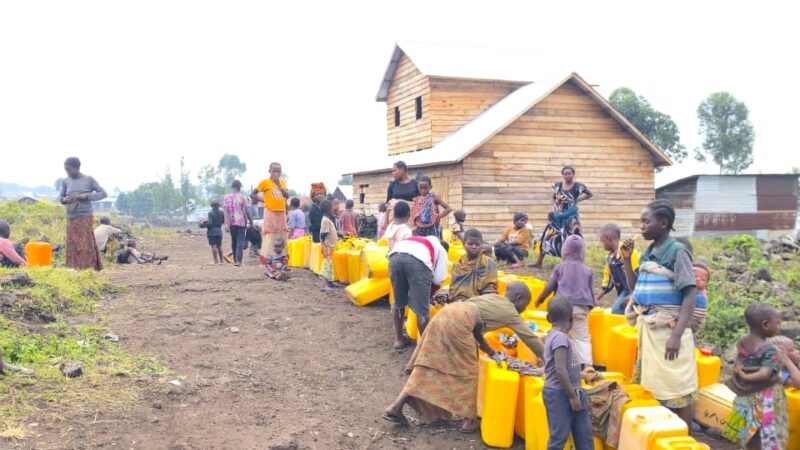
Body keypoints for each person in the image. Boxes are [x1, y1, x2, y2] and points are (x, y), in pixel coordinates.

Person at [382, 282, 540, 433]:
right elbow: (530, 338)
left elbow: (475, 329)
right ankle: (469, 420)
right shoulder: (511, 312)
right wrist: (548, 358)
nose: (523, 310)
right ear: (519, 298)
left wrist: (491, 352)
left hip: (444, 314)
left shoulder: (492, 298)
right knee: (468, 371)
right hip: (460, 322)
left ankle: (396, 406)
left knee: (429, 363)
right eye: (525, 306)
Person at [621, 199, 698, 427]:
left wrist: (676, 336)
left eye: (646, 221)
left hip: (669, 331)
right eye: (641, 222)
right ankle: (662, 433)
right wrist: (627, 259)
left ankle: (683, 438)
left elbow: (690, 293)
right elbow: (637, 289)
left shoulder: (677, 251)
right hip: (651, 330)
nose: (641, 226)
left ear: (663, 223)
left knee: (677, 389)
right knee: (656, 386)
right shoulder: (648, 253)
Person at [723, 303, 788, 449]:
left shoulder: (743, 340)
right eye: (777, 324)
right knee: (767, 430)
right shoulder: (770, 349)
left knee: (748, 426)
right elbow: (765, 374)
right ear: (765, 325)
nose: (779, 327)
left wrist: (742, 375)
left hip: (746, 393)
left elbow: (740, 361)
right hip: (766, 396)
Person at [535, 235, 595, 367]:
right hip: (581, 308)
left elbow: (550, 287)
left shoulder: (559, 268)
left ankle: (548, 362)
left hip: (562, 309)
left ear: (564, 250)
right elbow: (590, 292)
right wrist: (591, 307)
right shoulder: (588, 270)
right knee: (582, 338)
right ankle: (587, 366)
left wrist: (540, 299)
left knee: (557, 334)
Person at [543, 297, 594, 450]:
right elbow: (560, 369)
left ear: (548, 318)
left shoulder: (554, 336)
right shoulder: (560, 338)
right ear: (571, 319)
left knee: (584, 433)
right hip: (560, 393)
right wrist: (572, 396)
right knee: (559, 436)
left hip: (574, 391)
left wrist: (575, 394)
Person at [388, 235, 448, 350]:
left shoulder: (417, 240)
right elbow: (439, 278)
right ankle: (425, 347)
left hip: (394, 258)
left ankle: (399, 340)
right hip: (417, 262)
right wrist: (427, 297)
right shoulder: (441, 250)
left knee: (399, 301)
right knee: (422, 309)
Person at [533, 166, 593, 267]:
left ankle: (571, 263)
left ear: (573, 175)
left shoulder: (578, 186)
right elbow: (553, 198)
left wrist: (577, 201)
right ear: (562, 175)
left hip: (571, 218)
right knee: (548, 236)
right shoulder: (558, 186)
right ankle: (539, 262)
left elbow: (590, 194)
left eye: (569, 173)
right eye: (565, 174)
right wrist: (556, 207)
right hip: (558, 217)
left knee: (572, 239)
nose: (567, 175)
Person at [60, 157, 106, 270]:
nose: (68, 172)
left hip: (85, 216)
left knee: (85, 243)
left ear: (77, 167)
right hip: (71, 216)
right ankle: (73, 266)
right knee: (72, 244)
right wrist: (65, 200)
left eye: (69, 169)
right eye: (66, 170)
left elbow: (103, 194)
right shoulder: (66, 181)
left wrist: (87, 196)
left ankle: (88, 267)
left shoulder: (89, 180)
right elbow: (61, 198)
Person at [597, 224, 640, 315]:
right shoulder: (610, 258)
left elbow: (640, 278)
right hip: (624, 291)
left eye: (602, 241)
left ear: (608, 238)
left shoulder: (631, 254)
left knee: (617, 310)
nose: (602, 244)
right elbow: (608, 283)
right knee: (618, 309)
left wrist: (632, 296)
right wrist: (595, 299)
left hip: (635, 291)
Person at [448, 229, 498, 302]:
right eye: (470, 244)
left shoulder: (488, 262)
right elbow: (454, 288)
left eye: (477, 244)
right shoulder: (458, 264)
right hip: (458, 300)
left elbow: (490, 287)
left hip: (481, 301)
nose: (474, 247)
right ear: (464, 244)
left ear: (481, 245)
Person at [252, 162, 289, 258]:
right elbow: (252, 194)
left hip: (281, 212)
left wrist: (279, 186)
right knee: (270, 233)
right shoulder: (265, 182)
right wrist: (263, 200)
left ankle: (282, 257)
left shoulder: (283, 182)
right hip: (270, 212)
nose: (276, 173)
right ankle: (269, 257)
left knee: (281, 233)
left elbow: (287, 196)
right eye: (274, 171)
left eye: (279, 171)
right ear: (270, 171)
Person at [381, 161, 420, 236]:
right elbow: (388, 205)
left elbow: (419, 204)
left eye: (394, 170)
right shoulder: (392, 185)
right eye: (392, 171)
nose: (393, 173)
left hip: (411, 220)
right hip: (395, 220)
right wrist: (386, 223)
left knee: (408, 239)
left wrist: (418, 222)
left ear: (402, 169)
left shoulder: (414, 184)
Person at [224, 180, 252, 267]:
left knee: (234, 241)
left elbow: (225, 211)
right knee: (240, 241)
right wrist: (251, 221)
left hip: (231, 223)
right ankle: (238, 261)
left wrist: (226, 223)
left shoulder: (226, 197)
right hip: (241, 222)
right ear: (239, 187)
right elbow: (247, 211)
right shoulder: (243, 197)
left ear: (232, 187)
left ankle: (236, 259)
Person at [319, 200, 338, 293]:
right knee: (326, 265)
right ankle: (324, 285)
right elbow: (324, 233)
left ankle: (330, 282)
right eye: (332, 208)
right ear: (329, 210)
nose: (333, 210)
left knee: (330, 265)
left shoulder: (327, 220)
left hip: (330, 247)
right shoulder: (325, 220)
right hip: (327, 247)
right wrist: (324, 244)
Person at [199, 200, 225, 264]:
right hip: (219, 231)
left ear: (212, 206)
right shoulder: (222, 213)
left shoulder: (211, 213)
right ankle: (221, 261)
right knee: (219, 246)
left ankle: (216, 261)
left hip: (212, 232)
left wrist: (202, 225)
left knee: (214, 246)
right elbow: (223, 221)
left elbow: (210, 223)